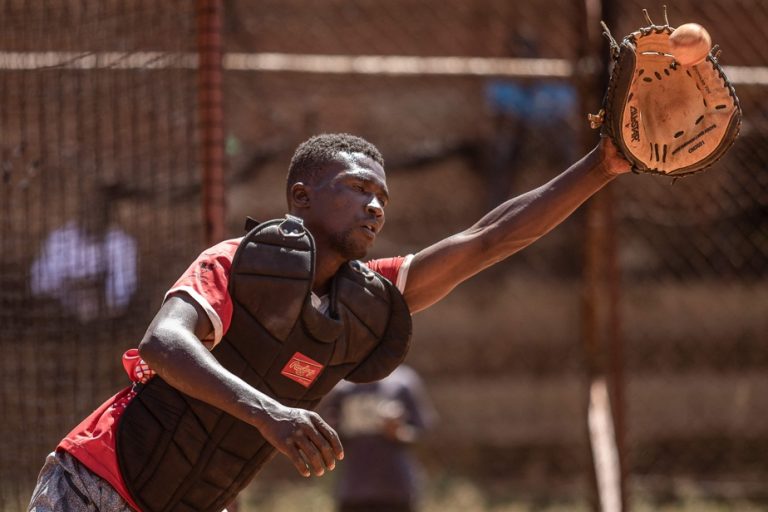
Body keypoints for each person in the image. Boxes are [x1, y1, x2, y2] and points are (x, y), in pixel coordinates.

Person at [28, 132, 629, 512]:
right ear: (302, 197)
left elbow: (486, 241)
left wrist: (603, 165)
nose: (374, 205)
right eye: (356, 188)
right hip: (97, 483)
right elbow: (162, 343)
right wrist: (272, 412)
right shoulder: (240, 264)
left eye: (383, 199)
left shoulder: (367, 304)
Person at [321, 364, 437, 512]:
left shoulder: (403, 382)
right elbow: (326, 432)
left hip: (395, 488)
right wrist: (332, 429)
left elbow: (422, 433)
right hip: (354, 489)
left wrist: (399, 433)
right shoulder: (342, 388)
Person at [29, 183, 138, 324]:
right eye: (89, 209)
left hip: (102, 323)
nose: (92, 215)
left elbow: (121, 296)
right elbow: (39, 284)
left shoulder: (122, 244)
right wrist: (71, 286)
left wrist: (95, 292)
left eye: (98, 210)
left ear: (108, 214)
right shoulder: (59, 239)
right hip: (59, 319)